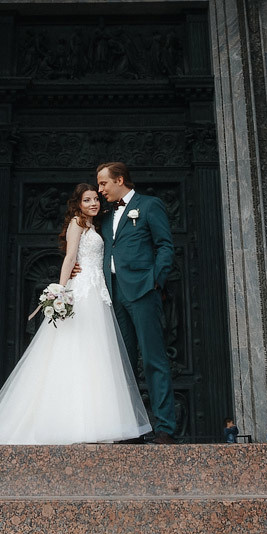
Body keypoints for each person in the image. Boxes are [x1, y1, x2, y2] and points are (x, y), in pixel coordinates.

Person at [0, 184, 151, 444]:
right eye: (87, 200)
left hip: (97, 291)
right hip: (82, 291)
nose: (93, 203)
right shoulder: (77, 224)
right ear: (78, 204)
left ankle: (98, 422)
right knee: (75, 348)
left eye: (95, 199)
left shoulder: (96, 226)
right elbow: (70, 257)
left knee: (96, 352)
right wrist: (61, 288)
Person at [96, 161, 178, 443]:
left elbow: (165, 245)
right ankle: (131, 430)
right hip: (114, 293)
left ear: (120, 180)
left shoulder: (149, 205)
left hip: (143, 291)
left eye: (104, 183)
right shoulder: (105, 215)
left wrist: (156, 280)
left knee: (154, 359)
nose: (100, 189)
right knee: (123, 365)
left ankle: (165, 428)